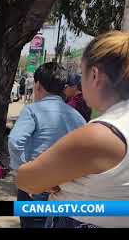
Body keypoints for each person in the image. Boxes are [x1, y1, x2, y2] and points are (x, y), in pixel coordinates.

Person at [16, 31, 129, 228]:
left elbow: (27, 179)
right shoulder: (84, 119)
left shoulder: (101, 135)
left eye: (81, 74)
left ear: (94, 75)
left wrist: (47, 176)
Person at [8, 62, 85, 228]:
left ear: (37, 85)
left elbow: (15, 142)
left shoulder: (32, 110)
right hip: (66, 189)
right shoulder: (77, 116)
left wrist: (24, 171)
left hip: (36, 186)